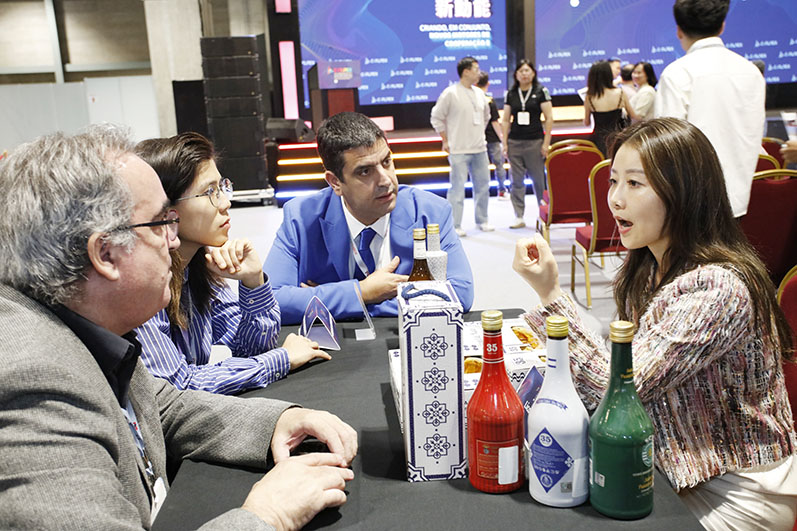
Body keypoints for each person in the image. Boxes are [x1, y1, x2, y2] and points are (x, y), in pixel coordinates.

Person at [0, 125, 358, 529]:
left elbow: (161, 406)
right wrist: (268, 515)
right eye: (159, 223)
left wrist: (275, 423)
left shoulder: (85, 325)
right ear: (105, 253)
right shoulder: (33, 381)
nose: (173, 241)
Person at [512, 118, 796, 531]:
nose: (615, 200)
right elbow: (624, 368)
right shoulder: (648, 267)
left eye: (634, 184)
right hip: (666, 467)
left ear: (683, 192)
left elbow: (614, 392)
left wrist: (551, 293)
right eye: (613, 181)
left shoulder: (716, 289)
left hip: (736, 490)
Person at [133, 133, 328, 394]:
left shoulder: (199, 266)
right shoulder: (143, 284)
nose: (226, 202)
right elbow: (179, 387)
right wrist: (281, 359)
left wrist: (253, 281)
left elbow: (252, 347)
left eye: (221, 187)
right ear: (166, 210)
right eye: (209, 192)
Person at [264, 112, 474, 325]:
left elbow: (460, 294)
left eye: (387, 162)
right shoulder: (300, 218)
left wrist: (337, 299)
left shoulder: (430, 213)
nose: (385, 180)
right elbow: (272, 302)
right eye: (365, 171)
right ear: (335, 182)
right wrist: (363, 291)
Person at [655, 0, 765, 218]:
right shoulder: (751, 72)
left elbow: (666, 147)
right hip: (741, 200)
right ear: (722, 26)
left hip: (691, 206)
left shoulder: (677, 73)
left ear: (679, 31)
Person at [430, 56, 494, 236]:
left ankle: (482, 220)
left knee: (483, 186)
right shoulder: (450, 93)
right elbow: (436, 117)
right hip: (458, 149)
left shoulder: (480, 93)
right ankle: (455, 224)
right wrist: (445, 139)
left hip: (480, 148)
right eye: (476, 69)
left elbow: (486, 117)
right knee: (457, 189)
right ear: (465, 72)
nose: (479, 73)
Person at [500, 59, 554, 229]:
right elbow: (505, 120)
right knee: (516, 181)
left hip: (535, 142)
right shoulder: (511, 93)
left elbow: (549, 118)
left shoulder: (541, 91)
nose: (524, 74)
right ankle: (519, 215)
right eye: (521, 71)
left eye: (527, 70)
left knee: (538, 180)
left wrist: (546, 143)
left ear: (533, 73)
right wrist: (505, 143)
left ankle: (544, 213)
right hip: (515, 142)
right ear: (516, 74)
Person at [584, 60, 637, 156]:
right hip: (618, 138)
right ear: (609, 74)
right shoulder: (620, 93)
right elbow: (633, 115)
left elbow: (587, 123)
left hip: (598, 140)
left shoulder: (589, 97)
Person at [475, 71, 508, 201]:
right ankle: (502, 191)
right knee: (499, 165)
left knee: (480, 167)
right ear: (488, 84)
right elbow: (495, 122)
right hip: (492, 138)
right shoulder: (489, 100)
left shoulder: (472, 100)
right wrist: (502, 138)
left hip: (477, 138)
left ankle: (482, 192)